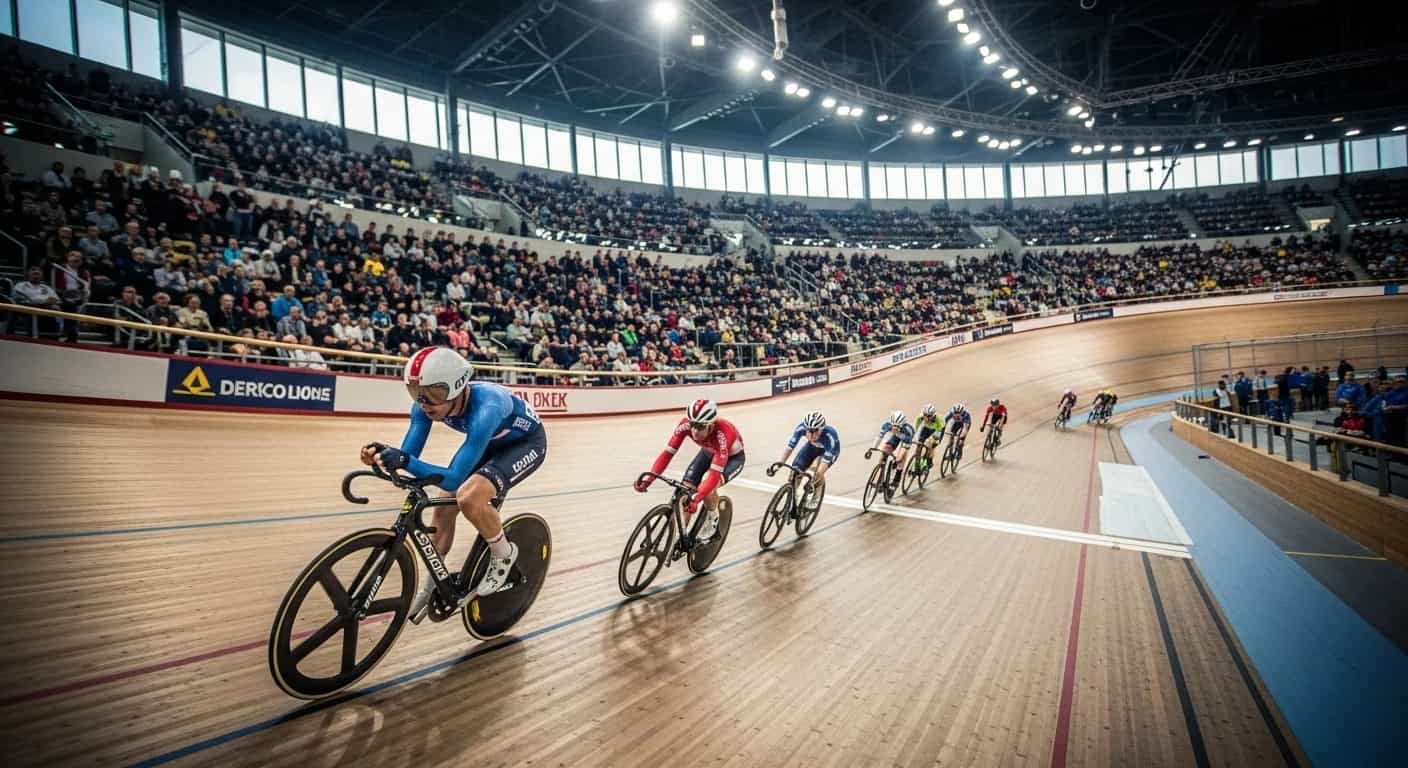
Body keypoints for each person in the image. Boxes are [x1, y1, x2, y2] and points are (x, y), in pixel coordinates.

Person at [365, 347, 548, 624]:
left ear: (458, 387)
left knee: (469, 497)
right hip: (490, 443)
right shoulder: (426, 407)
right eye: (416, 393)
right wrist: (384, 457)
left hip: (526, 444)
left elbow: (452, 476)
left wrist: (404, 460)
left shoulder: (487, 407)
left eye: (433, 393)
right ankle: (432, 586)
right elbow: (408, 456)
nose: (425, 402)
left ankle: (504, 555)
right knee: (443, 509)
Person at [635, 399, 744, 544]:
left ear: (711, 425)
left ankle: (713, 518)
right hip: (707, 453)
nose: (694, 431)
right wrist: (650, 479)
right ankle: (680, 538)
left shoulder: (723, 434)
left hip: (732, 459)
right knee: (685, 492)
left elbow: (713, 476)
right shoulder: (685, 425)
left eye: (700, 427)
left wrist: (697, 498)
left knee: (707, 487)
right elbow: (667, 454)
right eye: (692, 425)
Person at [772, 410, 839, 509]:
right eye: (809, 431)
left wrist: (814, 479)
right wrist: (780, 464)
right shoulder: (801, 428)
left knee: (815, 470)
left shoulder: (830, 436)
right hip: (812, 447)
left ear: (821, 429)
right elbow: (789, 448)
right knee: (795, 471)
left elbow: (823, 464)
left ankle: (817, 496)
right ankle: (794, 499)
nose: (811, 435)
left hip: (828, 451)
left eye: (815, 431)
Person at [869, 409, 916, 477]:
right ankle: (881, 468)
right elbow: (879, 437)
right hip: (895, 437)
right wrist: (873, 447)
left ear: (902, 425)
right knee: (885, 450)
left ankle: (898, 474)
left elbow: (906, 444)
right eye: (894, 425)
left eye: (898, 426)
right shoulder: (887, 425)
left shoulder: (908, 430)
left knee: (900, 457)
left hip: (906, 440)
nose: (895, 428)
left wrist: (898, 458)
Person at [912, 403, 945, 471]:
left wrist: (934, 440)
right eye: (924, 415)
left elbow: (938, 433)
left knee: (931, 445)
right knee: (919, 444)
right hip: (926, 429)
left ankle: (929, 460)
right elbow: (916, 427)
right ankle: (917, 462)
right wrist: (914, 435)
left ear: (932, 416)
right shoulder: (921, 417)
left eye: (928, 416)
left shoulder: (938, 420)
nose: (926, 417)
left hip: (936, 430)